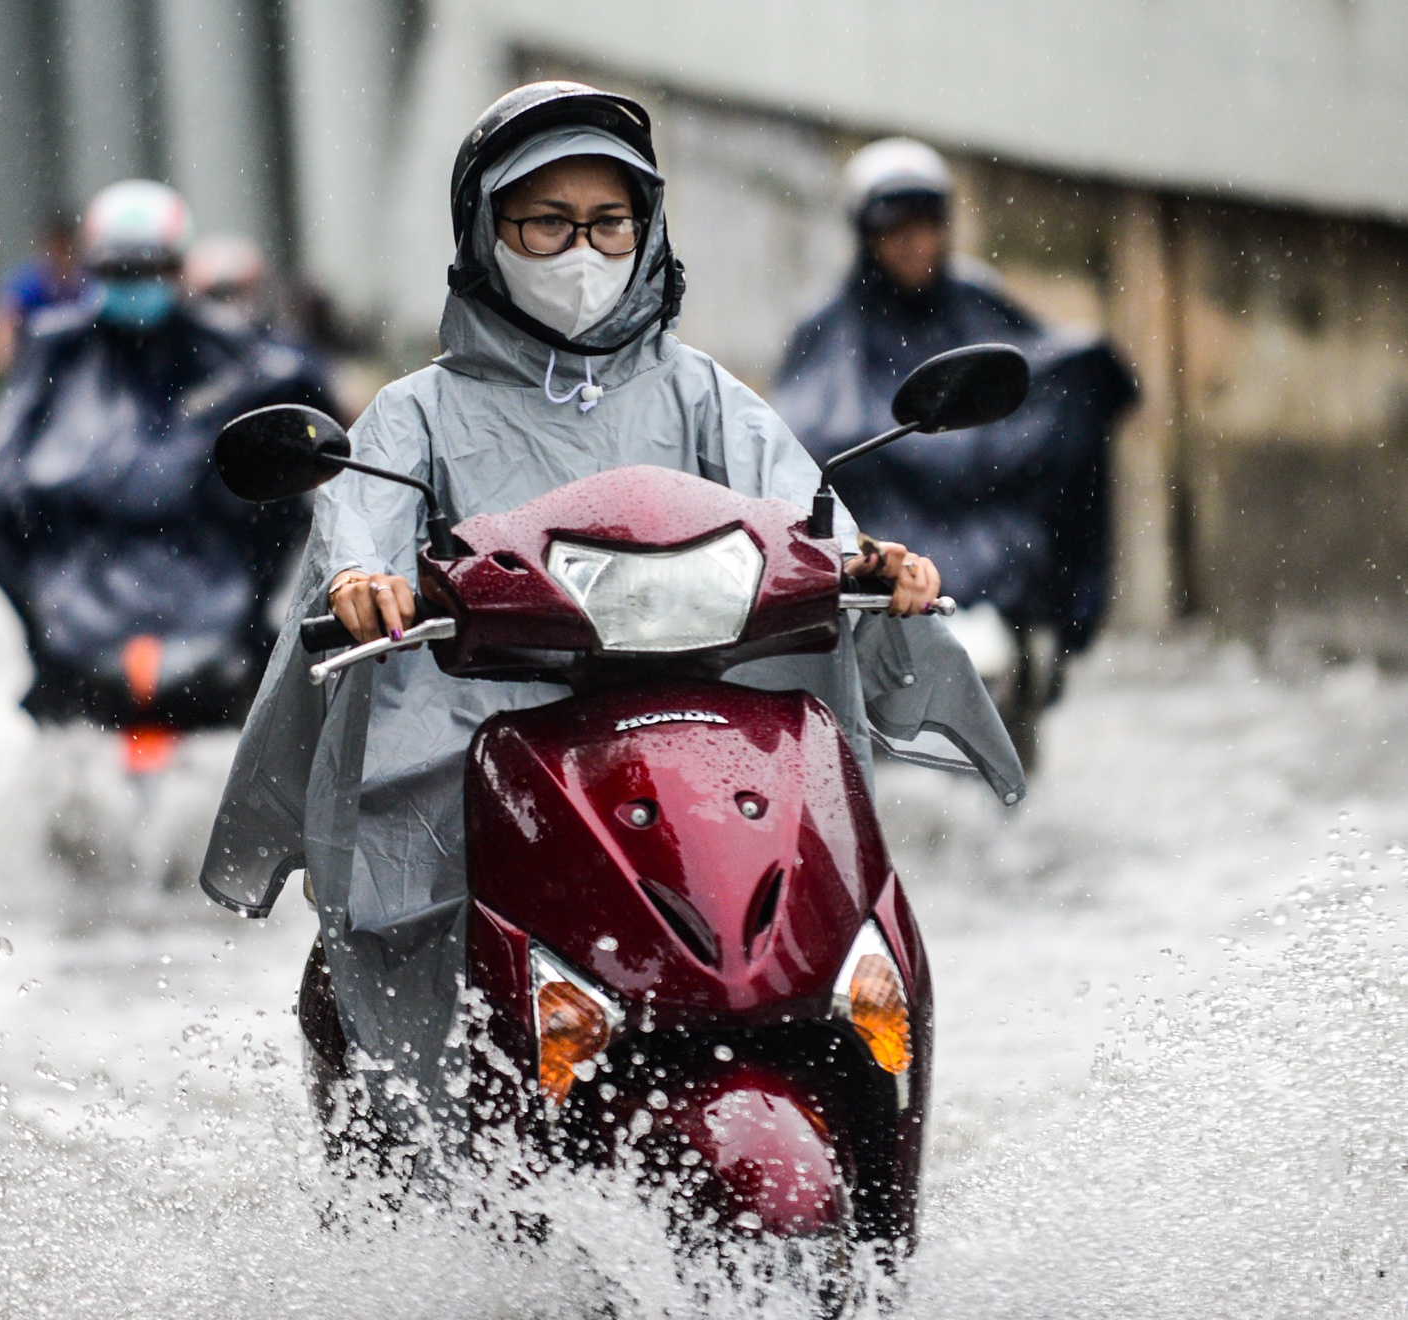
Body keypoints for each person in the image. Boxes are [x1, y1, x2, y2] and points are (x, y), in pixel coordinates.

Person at [198, 84, 1020, 1157]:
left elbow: (803, 512)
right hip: (477, 750)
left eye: (606, 222)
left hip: (699, 742)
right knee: (392, 936)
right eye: (545, 221)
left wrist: (871, 564)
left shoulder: (705, 398)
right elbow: (361, 524)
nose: (579, 249)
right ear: (485, 234)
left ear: (647, 230)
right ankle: (433, 1164)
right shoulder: (416, 413)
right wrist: (366, 580)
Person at [775, 138, 1136, 765]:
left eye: (928, 227)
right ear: (867, 236)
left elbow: (1046, 378)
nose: (916, 245)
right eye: (897, 230)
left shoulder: (979, 301)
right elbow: (801, 447)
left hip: (989, 535)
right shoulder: (830, 330)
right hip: (891, 543)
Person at [0, 180, 334, 738]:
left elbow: (296, 479)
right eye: (120, 270)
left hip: (213, 623)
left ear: (179, 267)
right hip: (81, 629)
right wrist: (45, 613)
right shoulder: (56, 354)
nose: (135, 285)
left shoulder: (241, 357)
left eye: (149, 269)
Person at [0, 212, 90, 376]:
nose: (61, 259)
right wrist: (9, 368)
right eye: (56, 251)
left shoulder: (88, 283)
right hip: (35, 371)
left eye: (66, 251)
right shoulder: (29, 284)